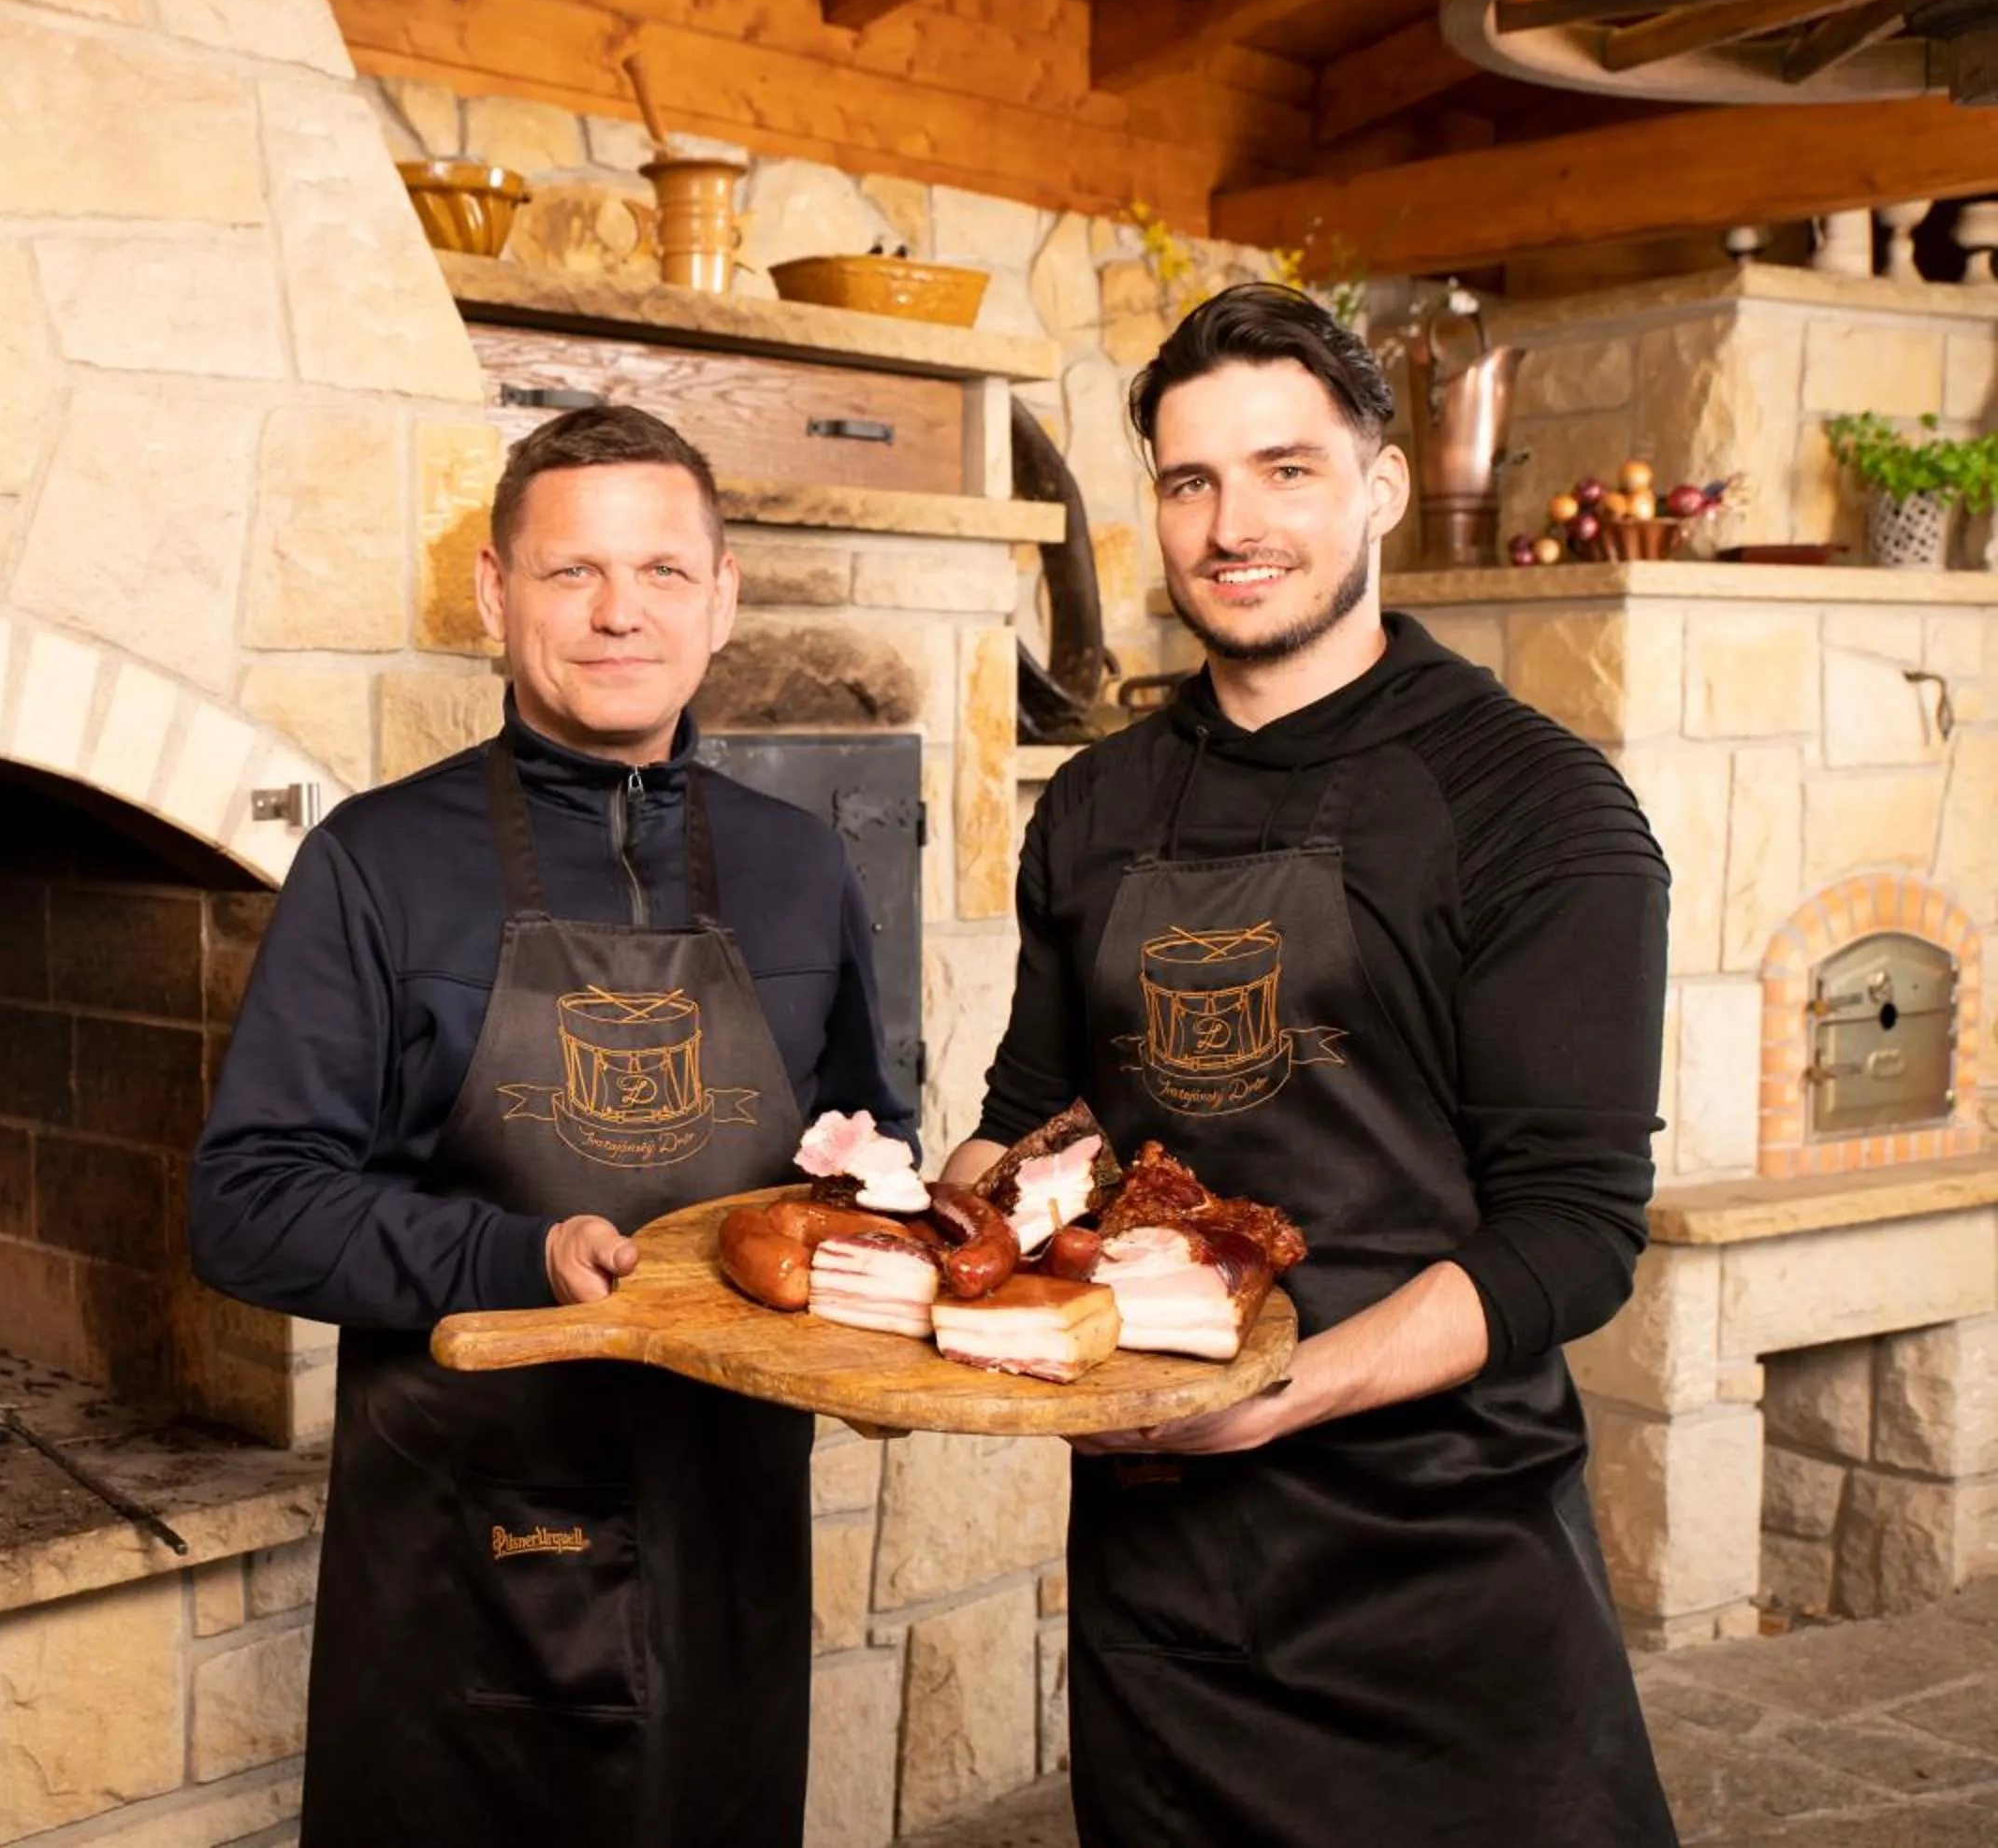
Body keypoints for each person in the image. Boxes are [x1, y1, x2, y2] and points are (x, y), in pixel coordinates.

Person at [934, 284, 1677, 1844]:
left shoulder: (1535, 805)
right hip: (1168, 1569)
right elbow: (1041, 1119)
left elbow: (1575, 1234)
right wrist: (937, 1221)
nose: (1233, 523)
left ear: (1381, 486)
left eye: (1286, 469)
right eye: (1193, 480)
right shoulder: (1097, 806)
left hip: (1445, 1569)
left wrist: (1280, 1392)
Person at [189, 403, 911, 1848]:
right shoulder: (374, 865)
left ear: (722, 600)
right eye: (572, 572)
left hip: (731, 1521)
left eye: (658, 571)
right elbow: (248, 1204)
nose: (617, 612)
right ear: (494, 596)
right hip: (464, 1538)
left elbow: (865, 1157)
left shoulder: (800, 867)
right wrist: (521, 1255)